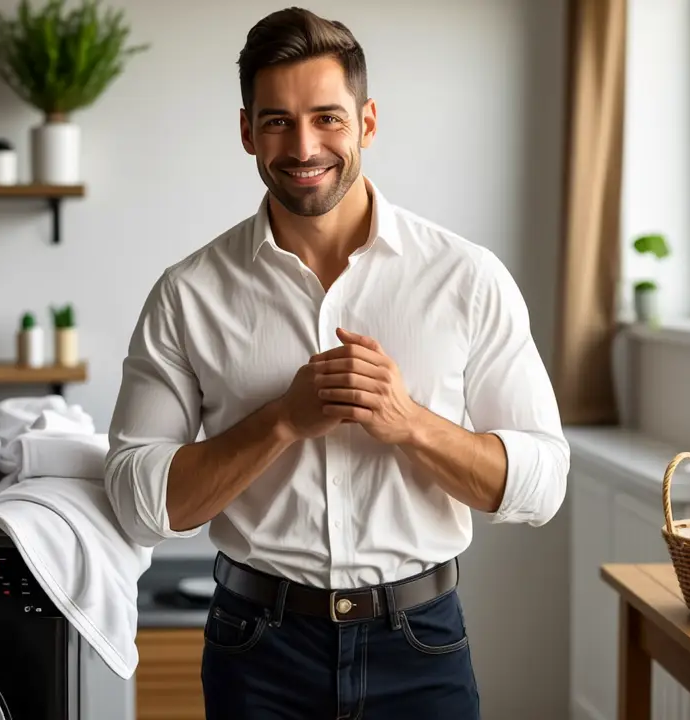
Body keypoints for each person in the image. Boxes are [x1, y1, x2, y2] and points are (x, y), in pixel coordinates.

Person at [104, 6, 569, 719]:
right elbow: (140, 501)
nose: (303, 145)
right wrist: (281, 422)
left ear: (368, 122)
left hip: (420, 643)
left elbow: (541, 485)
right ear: (246, 131)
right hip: (256, 649)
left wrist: (409, 422)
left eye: (327, 117)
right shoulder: (187, 292)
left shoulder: (467, 278)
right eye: (277, 121)